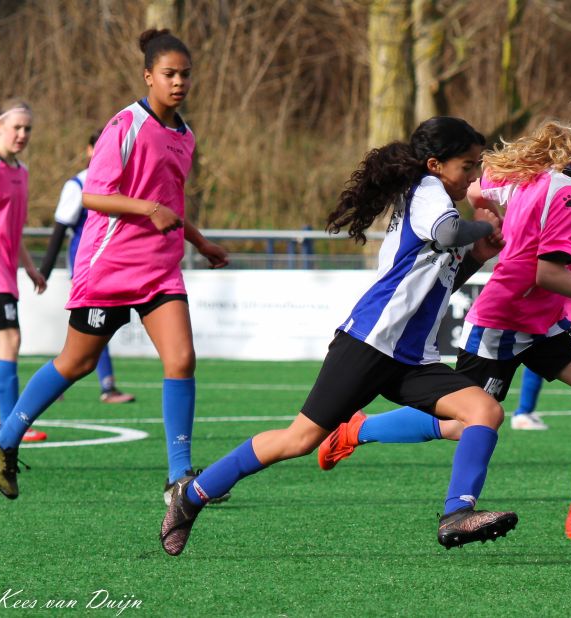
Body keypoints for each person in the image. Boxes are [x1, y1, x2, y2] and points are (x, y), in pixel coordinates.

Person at [160, 116, 516, 556]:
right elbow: (448, 232)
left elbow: (439, 283)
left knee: (484, 411)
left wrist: (477, 256)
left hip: (410, 356)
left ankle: (457, 513)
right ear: (434, 164)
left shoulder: (438, 200)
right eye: (468, 165)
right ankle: (192, 495)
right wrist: (482, 226)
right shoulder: (427, 191)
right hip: (370, 342)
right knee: (299, 440)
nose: (475, 175)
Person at [317, 93, 571, 542]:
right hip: (501, 322)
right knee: (464, 423)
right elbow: (546, 273)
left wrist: (493, 216)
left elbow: (477, 188)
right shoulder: (569, 196)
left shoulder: (535, 175)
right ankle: (359, 429)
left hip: (543, 321)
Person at [0, 29, 229, 504]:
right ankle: (4, 437)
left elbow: (171, 204)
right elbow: (92, 196)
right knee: (77, 362)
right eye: (169, 74)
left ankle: (179, 478)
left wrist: (201, 242)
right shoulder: (125, 125)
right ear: (148, 76)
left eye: (185, 74)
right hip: (109, 267)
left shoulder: (186, 136)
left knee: (181, 359)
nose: (179, 82)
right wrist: (148, 209)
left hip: (160, 270)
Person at [0, 98, 49, 444]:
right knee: (10, 340)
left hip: (5, 272)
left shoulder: (21, 171)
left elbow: (11, 231)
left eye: (27, 128)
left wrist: (30, 267)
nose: (22, 134)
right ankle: (10, 425)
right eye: (16, 127)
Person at [39, 129, 135, 404]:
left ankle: (56, 384)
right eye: (99, 146)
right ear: (90, 150)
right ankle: (106, 387)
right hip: (88, 269)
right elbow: (60, 228)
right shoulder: (78, 184)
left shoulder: (126, 182)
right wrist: (44, 271)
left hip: (117, 268)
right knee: (94, 329)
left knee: (89, 335)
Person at [510, 242, 571, 430]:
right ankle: (523, 412)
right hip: (554, 306)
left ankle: (525, 411)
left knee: (539, 356)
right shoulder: (555, 238)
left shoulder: (569, 239)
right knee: (538, 356)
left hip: (561, 306)